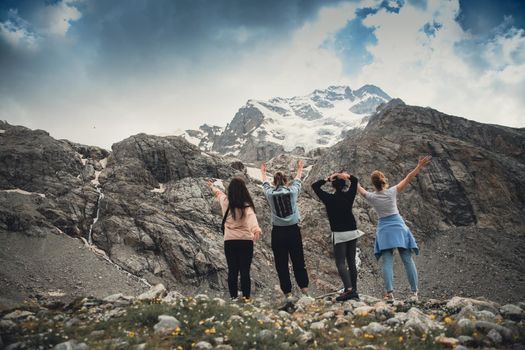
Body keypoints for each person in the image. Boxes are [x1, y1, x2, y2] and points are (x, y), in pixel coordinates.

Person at [357, 156, 432, 302]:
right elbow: (408, 177)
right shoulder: (392, 192)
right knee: (407, 259)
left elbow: (358, 187)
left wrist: (348, 177)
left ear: (373, 183)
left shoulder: (371, 197)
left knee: (387, 262)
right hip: (398, 227)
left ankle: (390, 293)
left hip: (384, 229)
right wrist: (419, 166)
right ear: (383, 180)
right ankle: (414, 292)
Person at [260, 160, 309, 305]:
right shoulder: (292, 192)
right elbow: (298, 181)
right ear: (286, 181)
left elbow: (265, 184)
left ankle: (288, 294)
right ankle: (305, 291)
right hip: (293, 231)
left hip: (278, 233)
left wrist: (263, 172)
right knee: (298, 260)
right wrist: (300, 168)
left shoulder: (270, 194)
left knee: (281, 263)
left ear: (274, 182)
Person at [311, 171, 364, 301]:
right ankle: (354, 290)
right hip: (352, 230)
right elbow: (355, 181)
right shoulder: (349, 195)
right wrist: (347, 176)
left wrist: (328, 178)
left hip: (339, 233)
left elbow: (315, 186)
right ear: (344, 185)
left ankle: (349, 290)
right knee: (351, 261)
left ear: (333, 186)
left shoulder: (328, 198)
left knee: (340, 262)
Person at [208, 177, 261, 301]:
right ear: (243, 190)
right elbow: (251, 218)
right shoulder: (246, 205)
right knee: (245, 271)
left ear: (230, 189)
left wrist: (211, 186)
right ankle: (247, 298)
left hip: (230, 241)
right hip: (246, 241)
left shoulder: (225, 201)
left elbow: (218, 193)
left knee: (232, 270)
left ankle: (233, 298)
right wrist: (256, 230)